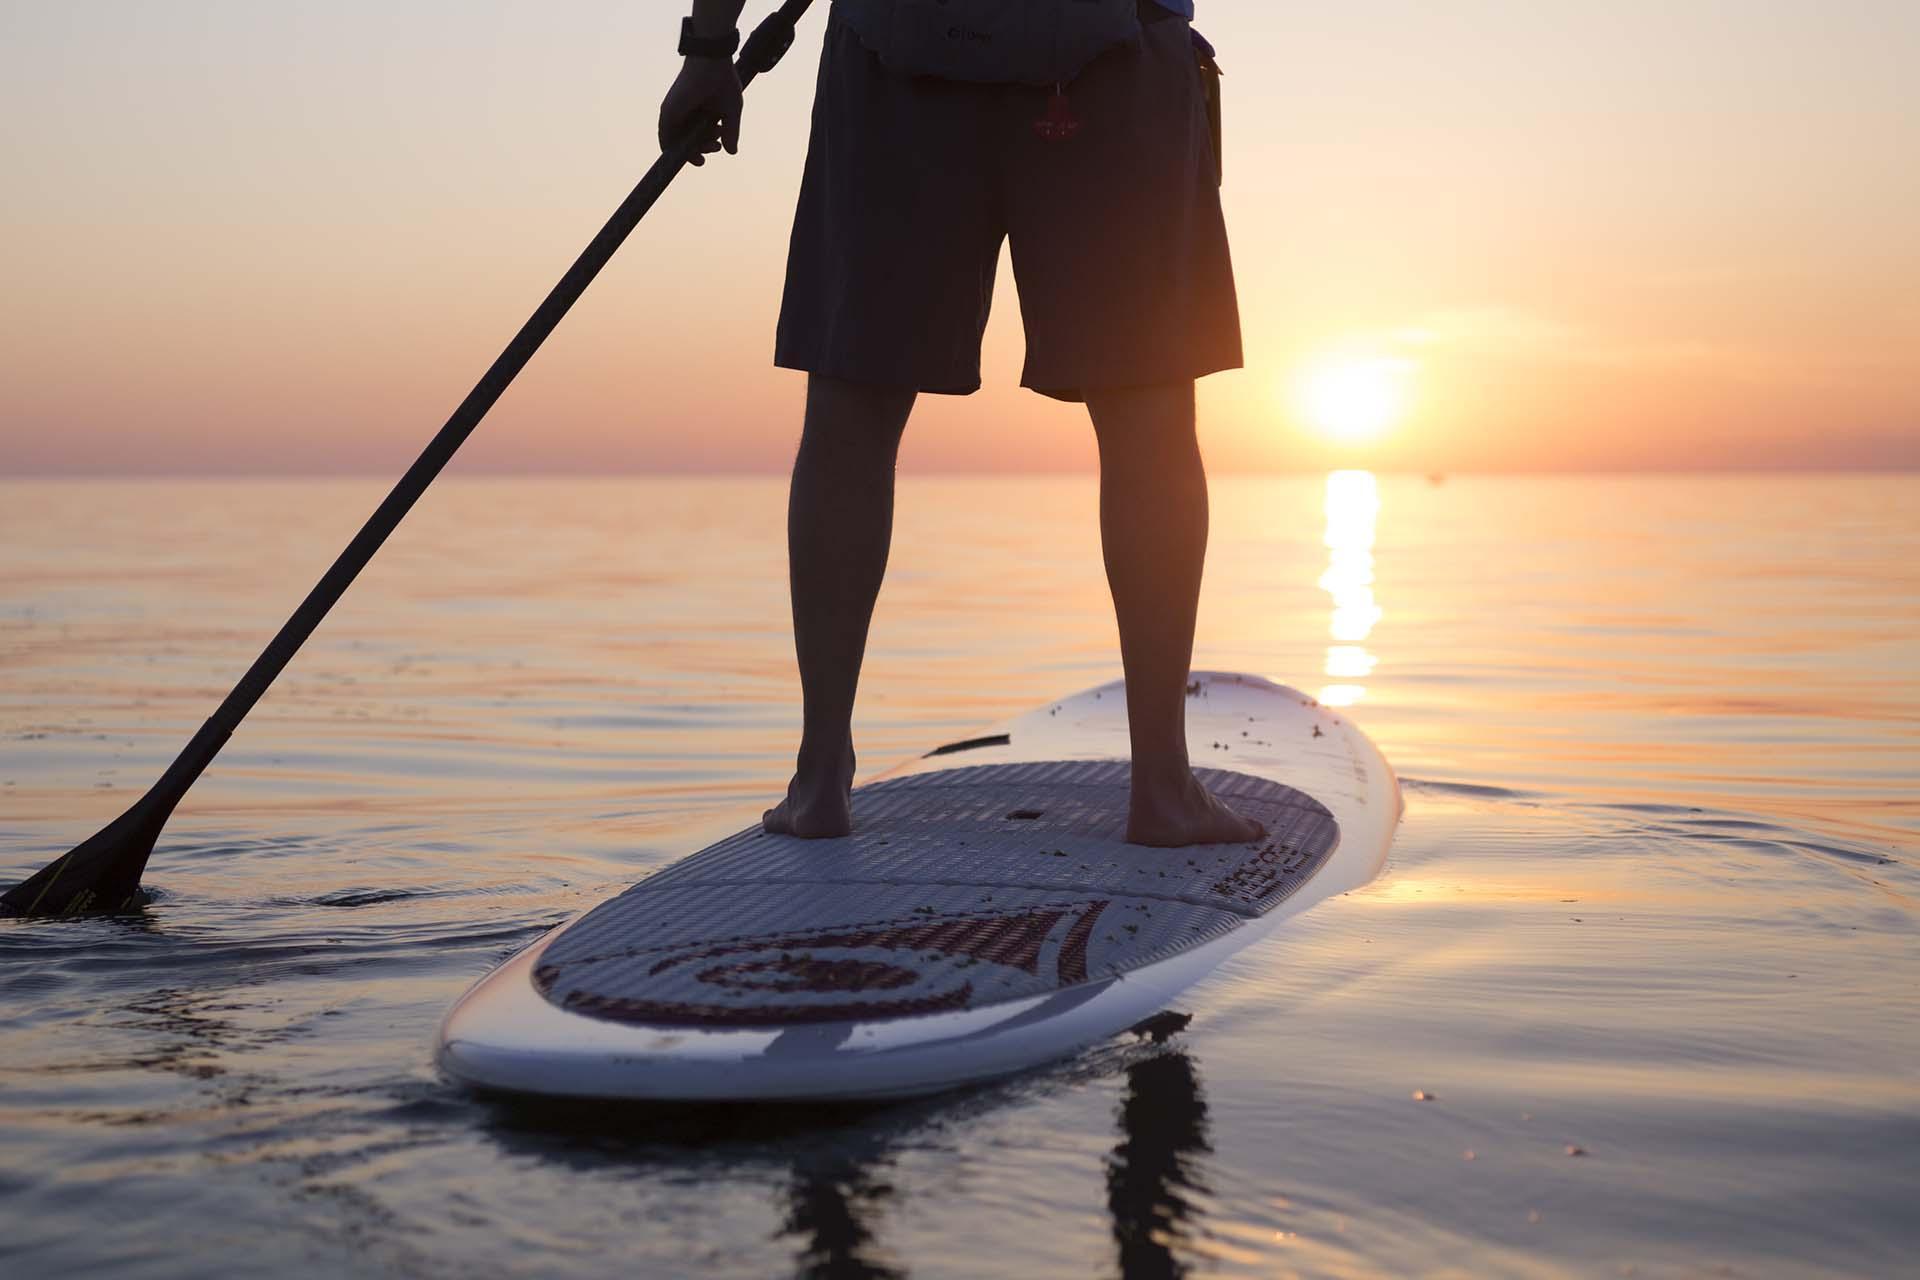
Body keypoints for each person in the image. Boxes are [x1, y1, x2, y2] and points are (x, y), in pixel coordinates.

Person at [660, 0, 1264, 847]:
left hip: (901, 49)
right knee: (1147, 407)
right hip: (1111, 51)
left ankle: (820, 774)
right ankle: (1161, 785)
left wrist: (709, 46)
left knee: (854, 400)